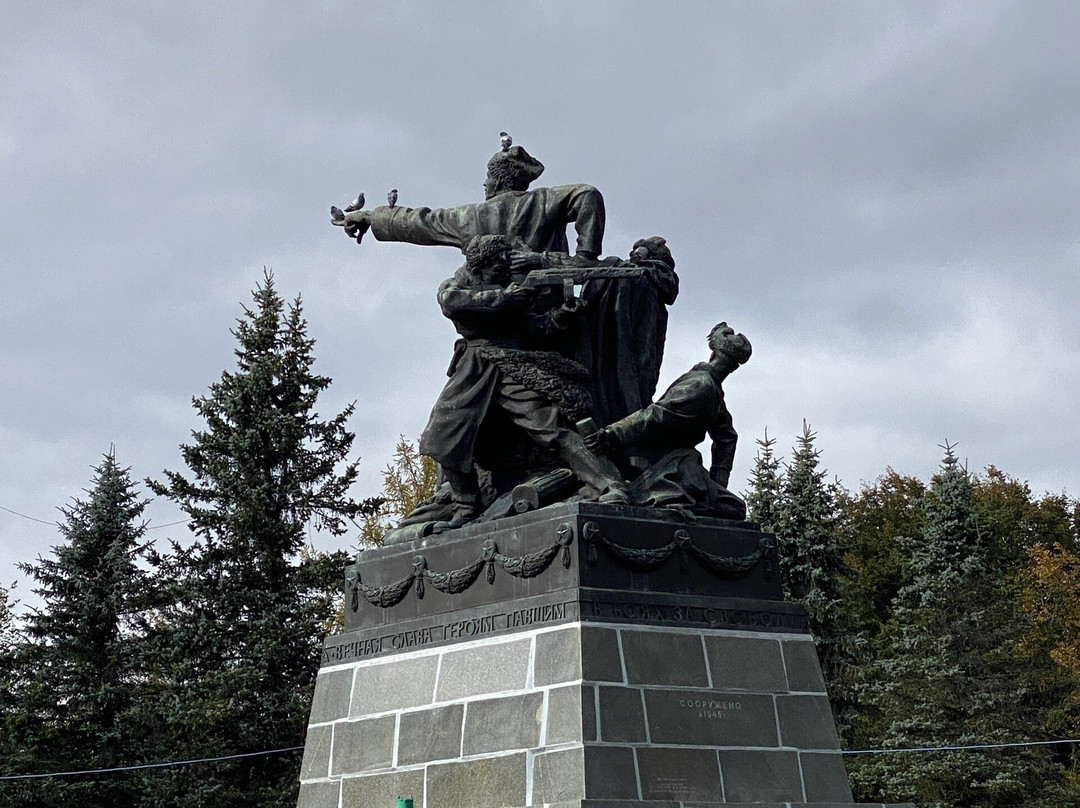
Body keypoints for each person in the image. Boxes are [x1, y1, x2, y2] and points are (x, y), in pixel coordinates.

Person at [420, 234, 629, 528]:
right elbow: (450, 302)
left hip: (512, 363)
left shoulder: (513, 286)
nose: (506, 273)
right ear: (480, 268)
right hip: (473, 368)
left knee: (552, 427)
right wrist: (505, 298)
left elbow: (534, 330)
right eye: (499, 268)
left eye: (507, 267)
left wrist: (561, 316)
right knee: (440, 438)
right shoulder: (458, 284)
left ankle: (610, 485)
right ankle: (466, 507)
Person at [334, 145, 606, 266]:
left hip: (500, 320)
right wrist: (586, 256)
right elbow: (588, 195)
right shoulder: (545, 200)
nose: (484, 184)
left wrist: (370, 216)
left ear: (498, 180)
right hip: (550, 311)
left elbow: (421, 222)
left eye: (487, 177)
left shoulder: (474, 216)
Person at [585, 322, 751, 519]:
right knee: (733, 508)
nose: (731, 367)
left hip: (681, 463)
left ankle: (666, 504)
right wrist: (611, 435)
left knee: (733, 508)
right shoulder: (702, 386)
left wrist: (718, 479)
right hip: (662, 463)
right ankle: (656, 502)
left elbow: (727, 436)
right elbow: (654, 415)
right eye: (732, 363)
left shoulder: (711, 387)